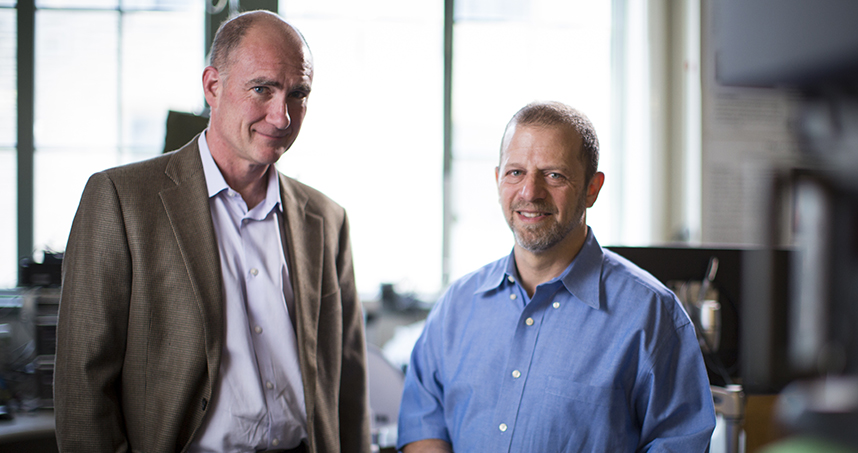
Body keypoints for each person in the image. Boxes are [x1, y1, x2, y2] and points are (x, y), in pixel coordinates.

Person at [54, 10, 370, 453]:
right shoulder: (122, 200)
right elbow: (82, 387)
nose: (281, 117)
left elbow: (348, 386)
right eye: (262, 89)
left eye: (297, 93)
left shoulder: (327, 219)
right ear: (212, 87)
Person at [397, 101, 716, 452]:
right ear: (498, 179)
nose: (530, 192)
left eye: (554, 175)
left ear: (592, 188)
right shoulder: (457, 306)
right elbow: (423, 424)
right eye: (515, 172)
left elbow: (678, 443)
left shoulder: (652, 314)